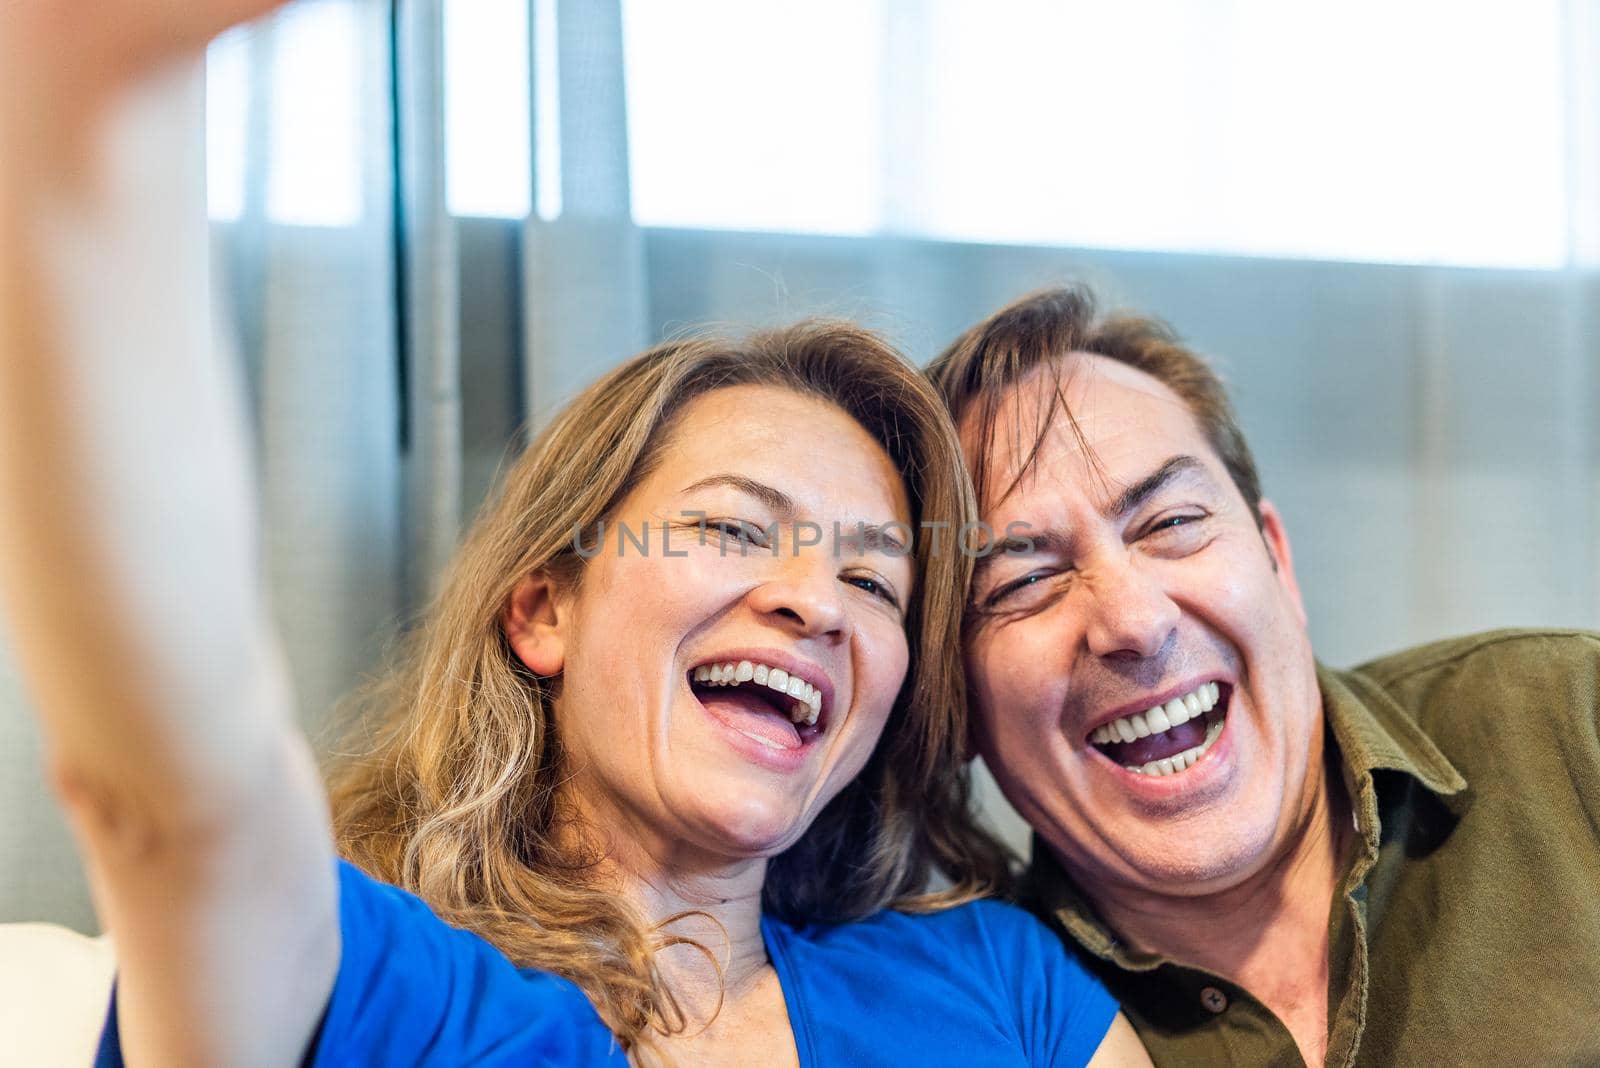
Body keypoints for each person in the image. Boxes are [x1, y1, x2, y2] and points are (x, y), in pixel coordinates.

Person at [0, 6, 1156, 1066]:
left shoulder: (1001, 992)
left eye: (874, 578)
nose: (817, 601)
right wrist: (85, 100)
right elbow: (179, 799)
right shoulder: (382, 992)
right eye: (732, 529)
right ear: (545, 608)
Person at [926, 285, 1600, 1067]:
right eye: (1021, 583)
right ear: (955, 706)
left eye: (1172, 524)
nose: (1135, 621)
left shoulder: (1572, 719)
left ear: (1277, 557)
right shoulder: (969, 1022)